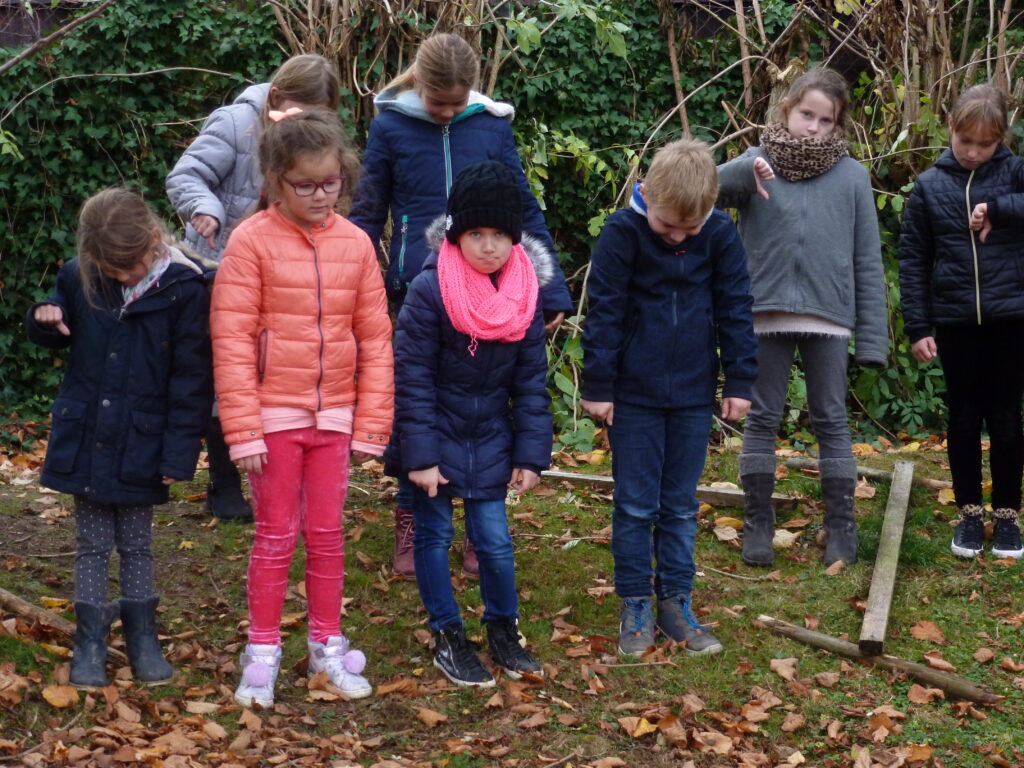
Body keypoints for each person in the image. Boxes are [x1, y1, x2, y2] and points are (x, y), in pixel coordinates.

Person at [349, 32, 572, 577]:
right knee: (418, 402)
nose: (447, 112)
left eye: (456, 103)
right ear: (420, 85)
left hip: (491, 294)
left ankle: (478, 519)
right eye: (438, 102)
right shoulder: (391, 126)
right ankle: (412, 513)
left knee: (483, 409)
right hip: (418, 290)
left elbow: (522, 208)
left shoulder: (491, 126)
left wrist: (549, 286)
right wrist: (349, 280)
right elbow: (368, 209)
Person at [211, 109, 394, 707]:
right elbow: (232, 340)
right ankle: (261, 652)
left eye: (330, 182)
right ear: (275, 180)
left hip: (335, 418)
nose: (320, 195)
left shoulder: (357, 243)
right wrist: (244, 432)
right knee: (274, 535)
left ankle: (326, 645)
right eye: (305, 185)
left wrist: (371, 425)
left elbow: (375, 337)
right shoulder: (249, 242)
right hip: (272, 419)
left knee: (328, 535)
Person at [24, 187, 213, 688]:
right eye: (111, 271)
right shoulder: (79, 275)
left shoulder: (186, 289)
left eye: (128, 268)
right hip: (88, 435)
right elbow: (56, 317)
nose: (122, 277)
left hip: (142, 442)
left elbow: (192, 378)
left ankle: (141, 637)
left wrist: (179, 451)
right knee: (91, 543)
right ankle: (89, 640)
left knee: (136, 543)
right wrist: (45, 318)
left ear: (152, 240)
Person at [580, 138, 757, 657]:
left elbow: (735, 306)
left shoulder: (719, 233)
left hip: (692, 393)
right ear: (646, 195)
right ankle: (635, 602)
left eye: (690, 228)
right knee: (636, 505)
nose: (678, 237)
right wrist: (598, 385)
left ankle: (676, 602)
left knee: (679, 506)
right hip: (633, 394)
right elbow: (605, 311)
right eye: (667, 226)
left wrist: (740, 380)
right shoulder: (622, 233)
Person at [716, 67, 887, 568]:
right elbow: (700, 190)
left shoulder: (853, 177)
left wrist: (872, 339)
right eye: (805, 114)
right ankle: (758, 522)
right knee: (761, 416)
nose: (813, 126)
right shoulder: (756, 161)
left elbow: (867, 258)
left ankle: (841, 525)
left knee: (831, 418)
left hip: (828, 315)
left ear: (838, 124)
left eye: (825, 120)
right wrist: (744, 171)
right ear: (787, 109)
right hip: (762, 310)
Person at [392, 161, 553, 687]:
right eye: (476, 233)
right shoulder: (430, 290)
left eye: (499, 234)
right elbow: (411, 377)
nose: (488, 246)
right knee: (434, 536)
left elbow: (531, 383)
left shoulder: (525, 297)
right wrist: (420, 456)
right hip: (433, 435)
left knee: (494, 541)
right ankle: (448, 634)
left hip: (490, 439)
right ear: (456, 234)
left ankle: (503, 630)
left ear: (515, 237)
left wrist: (530, 454)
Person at [166, 54, 341, 522]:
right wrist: (206, 210)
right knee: (228, 370)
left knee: (277, 367)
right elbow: (186, 175)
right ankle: (223, 485)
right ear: (277, 98)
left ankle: (284, 476)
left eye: (318, 116)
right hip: (219, 264)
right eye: (300, 112)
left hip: (281, 270)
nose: (307, 124)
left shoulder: (314, 135)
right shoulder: (235, 123)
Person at [899, 84, 1024, 560]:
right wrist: (918, 327)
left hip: (1011, 318)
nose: (973, 152)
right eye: (965, 140)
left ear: (1001, 138)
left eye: (985, 144)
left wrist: (999, 209)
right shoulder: (929, 186)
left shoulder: (1015, 173)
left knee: (1007, 418)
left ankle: (1007, 515)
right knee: (965, 417)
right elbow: (914, 259)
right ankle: (969, 513)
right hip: (955, 323)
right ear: (950, 127)